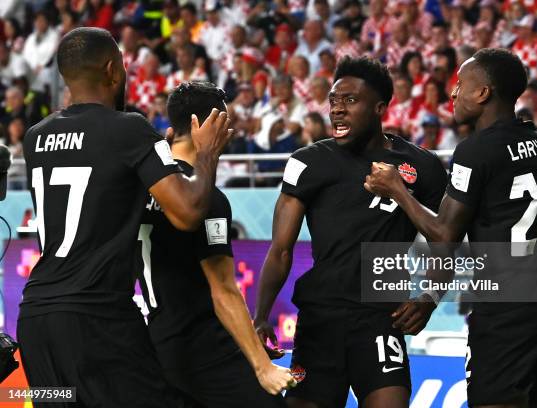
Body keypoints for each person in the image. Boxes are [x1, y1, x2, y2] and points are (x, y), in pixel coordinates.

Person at [17, 27, 232, 406]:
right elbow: (187, 213)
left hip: (36, 321)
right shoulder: (129, 129)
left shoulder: (36, 136)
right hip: (98, 320)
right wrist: (208, 153)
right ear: (113, 70)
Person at [364, 48, 537, 408]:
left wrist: (396, 189)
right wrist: (432, 294)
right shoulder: (533, 138)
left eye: (461, 85)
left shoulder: (475, 150)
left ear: (483, 93)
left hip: (506, 303)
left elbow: (445, 234)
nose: (453, 94)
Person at [255, 56, 447, 408]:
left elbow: (446, 241)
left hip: (382, 318)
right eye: (333, 101)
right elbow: (281, 250)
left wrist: (430, 297)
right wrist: (261, 315)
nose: (337, 110)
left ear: (380, 108)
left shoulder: (424, 166)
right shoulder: (307, 162)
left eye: (350, 101)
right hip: (320, 320)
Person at [136, 81, 295, 407]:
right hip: (204, 347)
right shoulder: (205, 199)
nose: (230, 132)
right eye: (223, 123)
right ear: (201, 127)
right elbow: (223, 290)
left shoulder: (142, 188)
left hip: (154, 344)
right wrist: (263, 367)